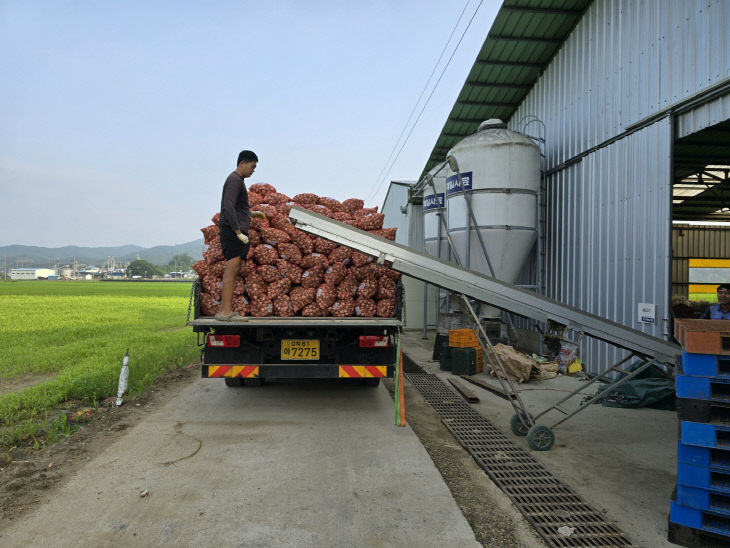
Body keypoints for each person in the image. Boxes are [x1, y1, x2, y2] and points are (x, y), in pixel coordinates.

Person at [215, 150, 265, 321]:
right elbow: (228, 206)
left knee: (233, 269)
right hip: (232, 231)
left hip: (234, 229)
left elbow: (237, 207)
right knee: (232, 269)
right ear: (242, 163)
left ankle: (224, 311)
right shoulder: (235, 180)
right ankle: (226, 312)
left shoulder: (238, 181)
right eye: (252, 166)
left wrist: (251, 214)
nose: (253, 170)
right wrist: (237, 231)